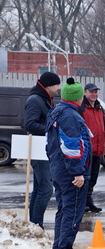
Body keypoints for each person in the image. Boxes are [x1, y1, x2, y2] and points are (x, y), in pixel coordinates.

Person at [46, 78, 92, 249]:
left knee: (63, 211)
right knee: (72, 212)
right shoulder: (71, 116)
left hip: (58, 169)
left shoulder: (57, 111)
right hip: (70, 173)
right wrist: (77, 173)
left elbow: (50, 144)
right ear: (78, 97)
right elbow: (71, 147)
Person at [24, 71, 60, 228]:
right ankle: (37, 224)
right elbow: (29, 124)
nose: (59, 88)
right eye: (57, 85)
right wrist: (51, 127)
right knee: (45, 189)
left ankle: (34, 223)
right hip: (38, 149)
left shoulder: (45, 100)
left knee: (40, 188)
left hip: (44, 149)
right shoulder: (35, 100)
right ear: (49, 86)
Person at [79, 83, 105, 213]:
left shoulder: (99, 107)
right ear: (85, 92)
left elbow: (104, 126)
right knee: (84, 178)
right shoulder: (81, 107)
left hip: (98, 149)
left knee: (93, 178)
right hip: (86, 151)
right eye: (91, 92)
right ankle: (82, 202)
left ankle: (88, 201)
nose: (94, 94)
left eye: (96, 92)